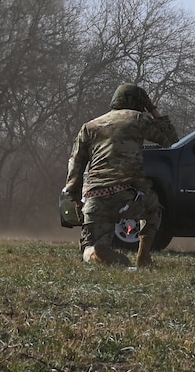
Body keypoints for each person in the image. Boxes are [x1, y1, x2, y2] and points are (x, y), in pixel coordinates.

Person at [63, 83, 178, 268]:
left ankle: (94, 253)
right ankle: (143, 258)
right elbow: (170, 138)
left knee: (90, 248)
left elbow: (75, 166)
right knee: (154, 209)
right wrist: (152, 108)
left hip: (95, 198)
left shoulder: (90, 126)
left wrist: (77, 199)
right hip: (129, 196)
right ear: (139, 102)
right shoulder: (138, 119)